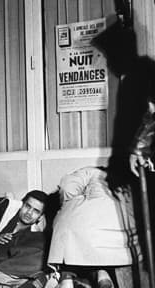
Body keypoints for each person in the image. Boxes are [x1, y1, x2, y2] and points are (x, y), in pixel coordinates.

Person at [92, 18, 154, 288]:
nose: (108, 64)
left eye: (109, 56)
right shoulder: (135, 76)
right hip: (135, 171)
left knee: (151, 236)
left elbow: (151, 116)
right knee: (143, 239)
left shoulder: (144, 73)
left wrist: (136, 150)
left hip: (146, 168)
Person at [48, 166, 137, 288]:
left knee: (67, 232)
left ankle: (66, 279)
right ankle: (102, 273)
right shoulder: (129, 181)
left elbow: (67, 187)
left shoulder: (93, 172)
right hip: (121, 233)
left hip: (84, 226)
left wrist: (70, 203)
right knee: (96, 255)